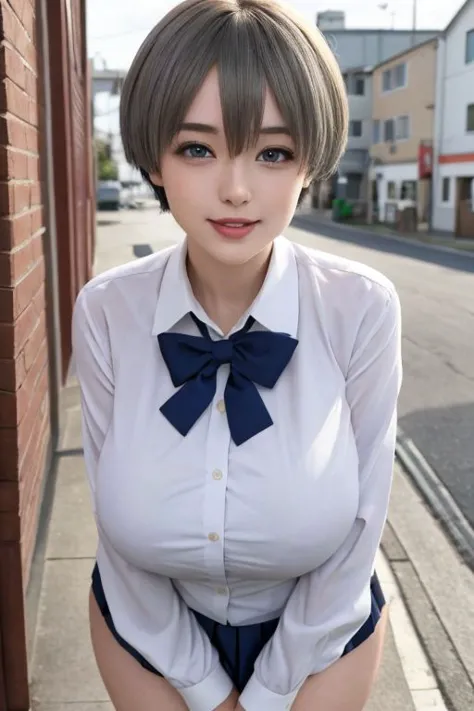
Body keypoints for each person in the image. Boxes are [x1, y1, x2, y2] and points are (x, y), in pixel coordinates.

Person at [72, 1, 402, 709]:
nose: (237, 188)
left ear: (309, 159)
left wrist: (270, 691)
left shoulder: (360, 307)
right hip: (148, 637)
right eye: (198, 148)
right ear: (154, 155)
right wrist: (204, 688)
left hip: (320, 641)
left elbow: (357, 538)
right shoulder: (107, 311)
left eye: (273, 152)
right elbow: (117, 545)